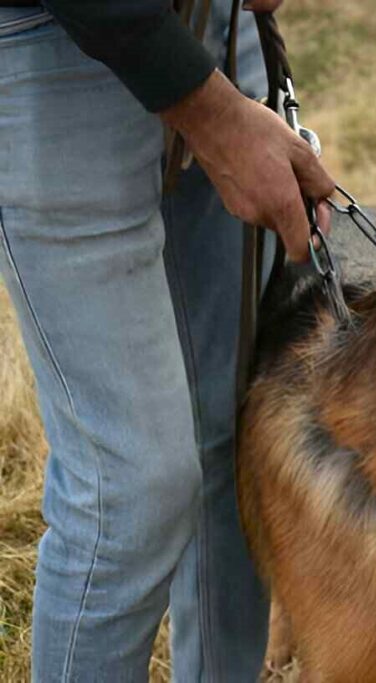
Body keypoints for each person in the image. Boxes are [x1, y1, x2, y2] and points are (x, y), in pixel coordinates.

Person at [0, 0, 335, 679]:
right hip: (48, 41)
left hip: (214, 23)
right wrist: (213, 118)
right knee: (128, 496)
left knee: (226, 432)